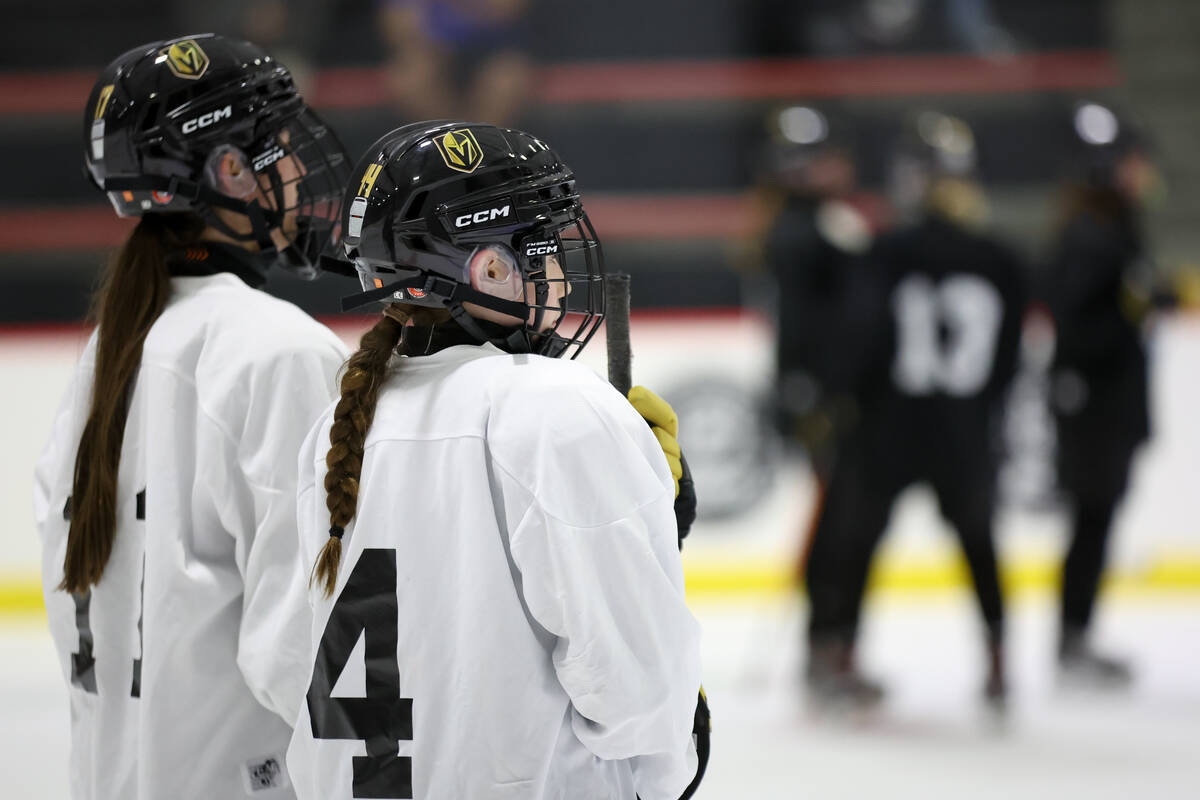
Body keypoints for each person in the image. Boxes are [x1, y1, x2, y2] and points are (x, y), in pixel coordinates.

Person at [284, 121, 704, 800]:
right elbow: (640, 703)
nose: (564, 274)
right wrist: (650, 521)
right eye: (546, 247)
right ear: (488, 268)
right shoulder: (555, 406)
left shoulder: (338, 427)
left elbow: (292, 671)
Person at [34, 34, 351, 799]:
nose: (300, 169)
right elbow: (316, 646)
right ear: (229, 172)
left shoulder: (106, 357)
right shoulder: (279, 352)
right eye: (278, 147)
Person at [803, 112, 1027, 711]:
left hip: (890, 426)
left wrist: (839, 396)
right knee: (980, 543)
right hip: (962, 428)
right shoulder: (1000, 260)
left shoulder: (882, 253)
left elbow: (860, 339)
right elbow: (1008, 363)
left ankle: (840, 657)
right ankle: (999, 663)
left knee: (859, 542)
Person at [1044, 102, 1165, 686]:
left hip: (1105, 407)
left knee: (1095, 521)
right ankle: (1072, 638)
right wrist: (1132, 312)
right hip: (1094, 409)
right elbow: (1077, 327)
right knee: (1091, 521)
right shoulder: (1093, 239)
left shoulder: (1111, 231)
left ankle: (1076, 635)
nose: (1142, 171)